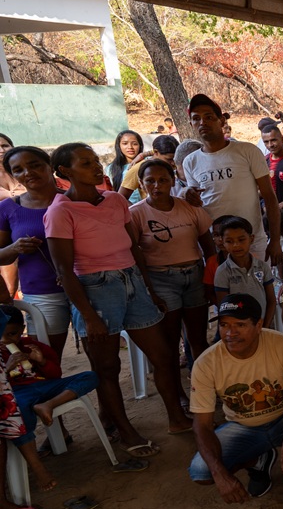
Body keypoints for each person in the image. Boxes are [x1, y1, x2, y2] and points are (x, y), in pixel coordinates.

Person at [46, 142, 193, 448]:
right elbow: (64, 271)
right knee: (107, 367)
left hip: (133, 282)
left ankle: (176, 419)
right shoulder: (60, 211)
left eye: (95, 161)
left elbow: (134, 247)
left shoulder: (114, 200)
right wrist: (89, 316)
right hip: (96, 290)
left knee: (163, 356)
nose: (96, 167)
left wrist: (149, 291)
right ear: (64, 172)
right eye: (85, 163)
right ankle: (125, 431)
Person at [188, 294, 283, 500]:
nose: (230, 333)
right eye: (224, 325)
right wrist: (220, 473)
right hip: (243, 426)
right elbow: (201, 424)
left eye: (240, 325)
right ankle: (258, 461)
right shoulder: (206, 363)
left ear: (259, 325)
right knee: (202, 472)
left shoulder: (281, 344)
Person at [0, 305, 98, 493]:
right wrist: (6, 368)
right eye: (1, 335)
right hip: (18, 393)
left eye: (12, 334)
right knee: (17, 413)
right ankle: (38, 467)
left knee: (89, 376)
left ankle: (48, 405)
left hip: (46, 388)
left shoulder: (31, 346)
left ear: (22, 330)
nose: (5, 340)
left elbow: (56, 374)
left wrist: (41, 361)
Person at [130, 159, 216, 362]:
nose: (157, 186)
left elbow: (209, 246)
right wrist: (149, 289)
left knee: (198, 339)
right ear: (141, 183)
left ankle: (202, 387)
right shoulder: (135, 214)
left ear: (173, 181)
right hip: (161, 280)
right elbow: (135, 255)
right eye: (150, 181)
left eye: (163, 180)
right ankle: (178, 393)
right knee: (169, 342)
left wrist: (210, 280)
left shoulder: (190, 207)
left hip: (194, 277)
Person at [181, 95, 282, 265]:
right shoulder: (190, 162)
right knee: (222, 291)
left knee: (258, 290)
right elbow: (197, 204)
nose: (202, 123)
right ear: (191, 124)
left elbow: (270, 198)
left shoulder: (247, 151)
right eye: (196, 118)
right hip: (217, 247)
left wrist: (275, 241)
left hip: (252, 242)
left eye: (208, 117)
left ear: (221, 121)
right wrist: (186, 192)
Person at [0, 147, 71, 357]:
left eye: (34, 165)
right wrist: (15, 248)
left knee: (102, 357)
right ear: (13, 176)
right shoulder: (8, 208)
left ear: (49, 166)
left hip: (87, 287)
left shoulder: (74, 201)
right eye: (18, 170)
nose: (28, 173)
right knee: (45, 359)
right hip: (41, 294)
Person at [213, 216, 276, 326]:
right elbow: (224, 306)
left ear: (251, 239)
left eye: (241, 240)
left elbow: (271, 300)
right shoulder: (222, 272)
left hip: (263, 325)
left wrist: (265, 327)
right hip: (238, 329)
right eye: (229, 241)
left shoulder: (262, 267)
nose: (236, 245)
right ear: (223, 242)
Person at [120, 134, 177, 202]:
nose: (173, 163)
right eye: (169, 159)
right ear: (156, 152)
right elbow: (121, 198)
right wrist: (138, 211)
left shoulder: (176, 164)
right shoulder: (138, 168)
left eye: (175, 159)